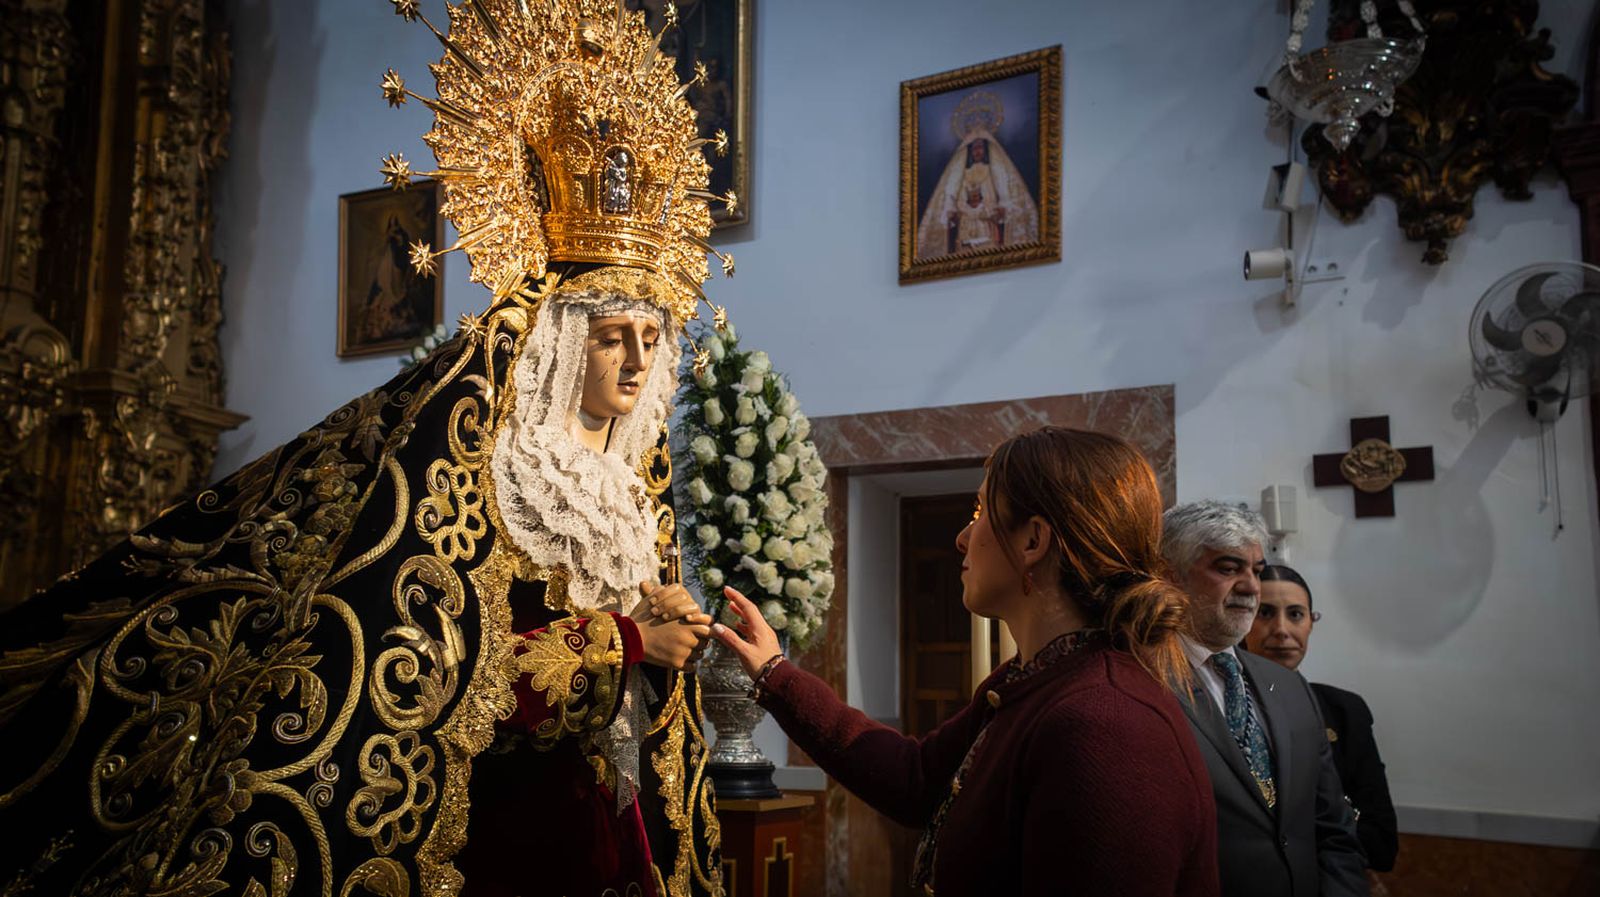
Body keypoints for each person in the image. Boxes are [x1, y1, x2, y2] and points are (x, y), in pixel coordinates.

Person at [0, 2, 732, 894]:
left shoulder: (630, 494)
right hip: (491, 832)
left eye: (652, 341)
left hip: (611, 841)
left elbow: (646, 706)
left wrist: (671, 637)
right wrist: (623, 643)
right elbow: (430, 664)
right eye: (616, 335)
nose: (637, 360)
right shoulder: (490, 468)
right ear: (568, 341)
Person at [715, 426, 1220, 896]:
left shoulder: (1105, 724)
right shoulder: (1034, 679)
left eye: (979, 513)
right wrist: (775, 673)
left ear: (1032, 541)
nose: (962, 538)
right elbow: (914, 780)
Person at [1161, 500, 1369, 897]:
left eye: (1255, 571)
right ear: (1171, 577)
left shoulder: (1290, 687)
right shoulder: (1142, 684)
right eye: (1227, 568)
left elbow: (1333, 829)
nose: (1251, 587)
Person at [1246, 564, 1399, 873]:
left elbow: (1381, 844)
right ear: (1242, 621)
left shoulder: (1345, 711)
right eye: (1265, 613)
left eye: (1296, 614)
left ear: (1311, 624)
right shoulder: (1218, 712)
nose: (1281, 629)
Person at [915, 89, 1041, 259]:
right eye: (974, 148)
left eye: (980, 147)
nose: (977, 151)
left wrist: (990, 210)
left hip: (987, 228)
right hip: (965, 230)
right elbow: (956, 200)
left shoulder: (993, 172)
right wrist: (961, 210)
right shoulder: (963, 174)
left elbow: (1001, 199)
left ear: (986, 149)